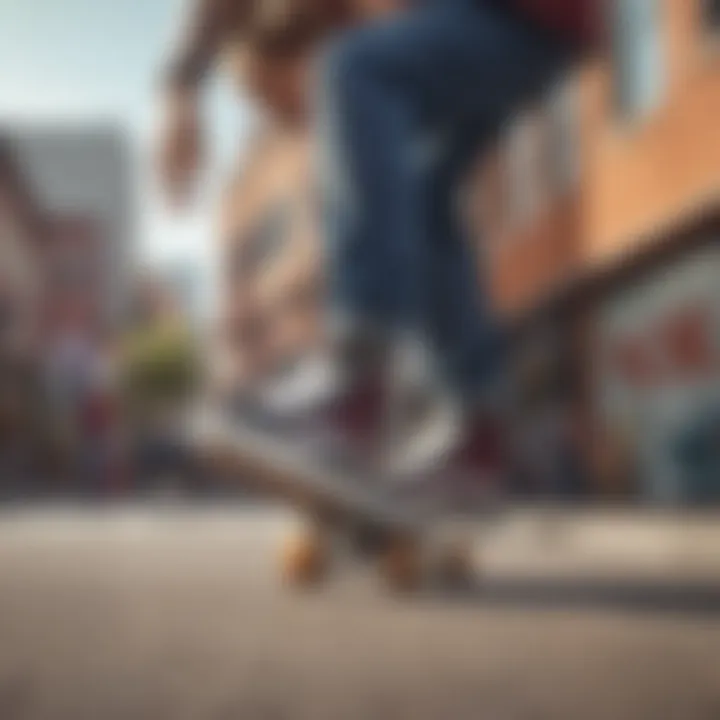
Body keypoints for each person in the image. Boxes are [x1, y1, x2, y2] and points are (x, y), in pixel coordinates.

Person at [158, 0, 599, 479]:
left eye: (296, 110)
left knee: (357, 70)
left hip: (520, 14)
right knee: (424, 188)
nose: (308, 127)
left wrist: (179, 90)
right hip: (539, 27)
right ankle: (479, 433)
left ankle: (360, 380)